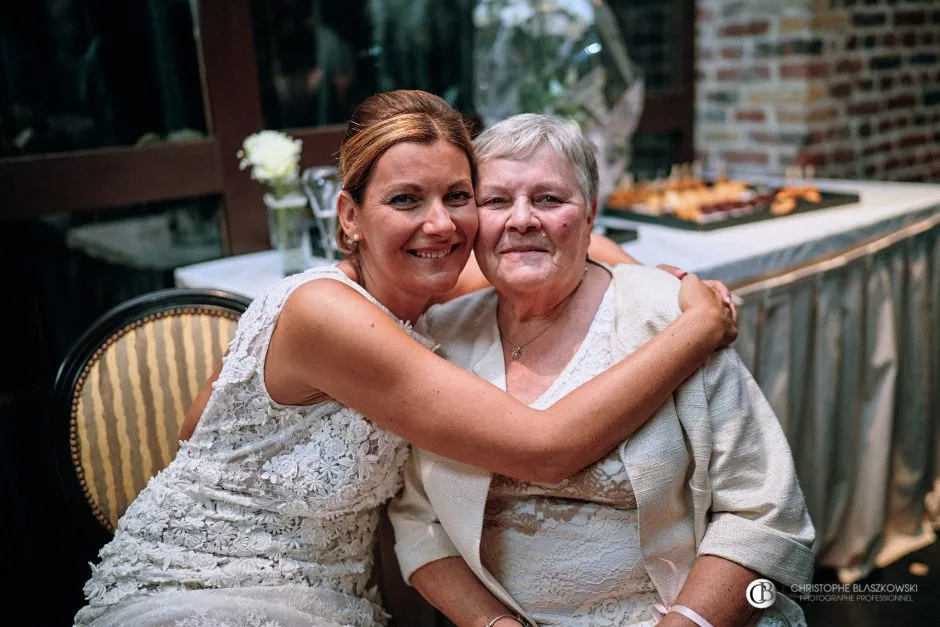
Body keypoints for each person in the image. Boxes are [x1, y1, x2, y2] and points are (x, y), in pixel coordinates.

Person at [73, 91, 736, 627]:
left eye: (458, 196)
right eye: (405, 200)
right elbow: (545, 449)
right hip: (211, 589)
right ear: (349, 215)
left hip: (337, 596)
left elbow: (198, 424)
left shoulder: (429, 285)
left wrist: (658, 282)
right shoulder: (326, 313)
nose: (441, 225)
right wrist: (696, 328)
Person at [389, 114, 816, 627]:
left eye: (549, 200)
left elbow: (762, 513)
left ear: (591, 214)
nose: (522, 219)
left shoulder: (670, 318)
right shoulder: (444, 335)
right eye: (496, 201)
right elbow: (419, 519)